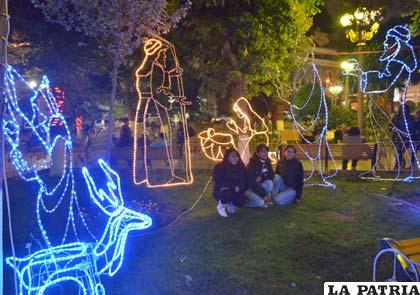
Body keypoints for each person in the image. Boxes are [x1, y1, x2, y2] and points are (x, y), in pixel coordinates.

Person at [213, 148, 247, 217]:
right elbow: (219, 181)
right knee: (227, 193)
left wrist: (240, 187)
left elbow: (244, 179)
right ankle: (221, 206)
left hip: (237, 190)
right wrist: (233, 186)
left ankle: (231, 203)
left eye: (237, 156)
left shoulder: (241, 166)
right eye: (232, 156)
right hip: (223, 189)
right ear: (227, 157)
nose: (235, 158)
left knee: (241, 202)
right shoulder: (220, 167)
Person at [391, 104, 416, 169]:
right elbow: (392, 126)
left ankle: (412, 164)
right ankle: (399, 163)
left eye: (405, 109)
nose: (403, 110)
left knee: (414, 148)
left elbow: (413, 127)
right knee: (399, 151)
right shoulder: (396, 117)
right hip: (399, 138)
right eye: (402, 109)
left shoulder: (411, 118)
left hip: (409, 137)